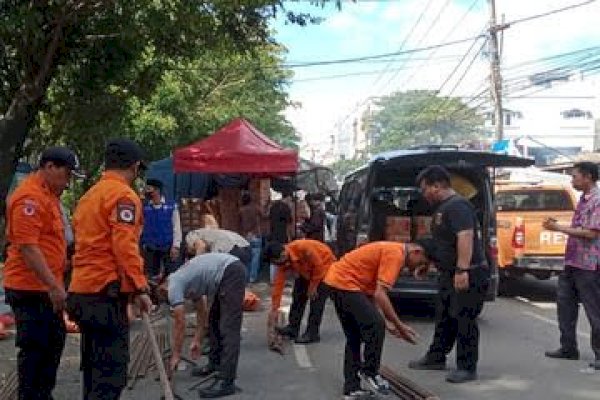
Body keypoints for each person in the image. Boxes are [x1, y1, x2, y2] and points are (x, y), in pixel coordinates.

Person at [67, 138, 153, 400]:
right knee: (110, 376)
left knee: (94, 371)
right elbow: (124, 247)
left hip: (81, 291)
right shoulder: (124, 196)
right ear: (135, 166)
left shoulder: (88, 196)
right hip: (104, 293)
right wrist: (140, 287)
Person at [3, 146, 83, 400]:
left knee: (54, 343)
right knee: (35, 349)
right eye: (67, 174)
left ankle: (42, 395)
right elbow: (28, 247)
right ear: (49, 167)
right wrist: (53, 285)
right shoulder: (29, 198)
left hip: (46, 286)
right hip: (30, 288)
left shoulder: (49, 196)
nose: (68, 182)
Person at [323, 240, 435, 399]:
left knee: (355, 337)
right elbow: (380, 294)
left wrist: (388, 323)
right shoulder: (396, 255)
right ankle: (369, 372)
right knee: (375, 326)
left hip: (336, 282)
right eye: (421, 263)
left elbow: (374, 294)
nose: (417, 267)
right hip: (345, 284)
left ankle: (351, 388)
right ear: (416, 251)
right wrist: (399, 325)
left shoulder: (392, 250)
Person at [409, 165, 490, 384]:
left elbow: (465, 237)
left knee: (464, 319)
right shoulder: (442, 208)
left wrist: (463, 269)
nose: (424, 194)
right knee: (444, 316)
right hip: (449, 272)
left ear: (437, 185)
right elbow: (443, 243)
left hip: (468, 273)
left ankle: (467, 367)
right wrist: (430, 263)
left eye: (425, 189)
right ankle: (436, 357)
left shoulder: (458, 206)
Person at [543, 161, 600, 370]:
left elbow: (591, 233)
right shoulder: (584, 199)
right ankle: (568, 347)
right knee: (565, 304)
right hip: (573, 261)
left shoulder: (597, 200)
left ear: (588, 177)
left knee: (594, 310)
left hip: (589, 264)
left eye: (575, 176)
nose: (572, 180)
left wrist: (559, 227)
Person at [166, 252, 246, 398]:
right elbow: (202, 313)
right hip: (225, 274)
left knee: (229, 328)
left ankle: (227, 382)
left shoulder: (173, 286)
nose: (168, 301)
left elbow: (180, 323)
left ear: (161, 288)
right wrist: (197, 339)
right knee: (214, 321)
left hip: (230, 272)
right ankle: (214, 364)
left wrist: (176, 354)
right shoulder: (186, 280)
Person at [264, 239, 336, 344]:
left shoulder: (303, 248)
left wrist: (313, 287)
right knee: (297, 297)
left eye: (277, 262)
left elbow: (319, 267)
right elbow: (278, 285)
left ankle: (312, 334)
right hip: (306, 271)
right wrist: (275, 309)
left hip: (325, 269)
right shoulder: (281, 262)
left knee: (316, 301)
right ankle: (293, 328)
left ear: (283, 254)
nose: (278, 266)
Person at [141, 178, 182, 280]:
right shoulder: (144, 207)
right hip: (150, 248)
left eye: (149, 188)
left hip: (168, 247)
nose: (147, 191)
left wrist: (176, 246)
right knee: (150, 276)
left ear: (157, 190)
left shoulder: (171, 206)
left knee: (170, 276)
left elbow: (176, 227)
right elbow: (140, 226)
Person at [185, 227, 251, 268]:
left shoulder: (190, 235)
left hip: (230, 247)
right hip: (245, 245)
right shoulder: (207, 233)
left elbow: (201, 246)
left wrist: (195, 265)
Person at [239, 192, 264, 282]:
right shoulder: (256, 208)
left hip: (246, 236)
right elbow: (264, 216)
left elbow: (240, 223)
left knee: (247, 257)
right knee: (255, 258)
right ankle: (252, 277)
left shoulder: (241, 210)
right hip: (256, 234)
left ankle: (246, 276)